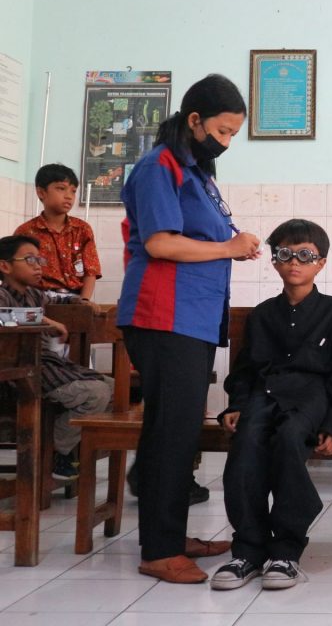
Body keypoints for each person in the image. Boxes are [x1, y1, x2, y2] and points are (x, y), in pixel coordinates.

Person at [117, 74, 262, 584]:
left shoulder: (195, 171)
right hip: (163, 316)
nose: (226, 143)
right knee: (170, 432)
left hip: (192, 318)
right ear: (194, 120)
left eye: (233, 135)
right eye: (222, 131)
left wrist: (235, 242)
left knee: (181, 432)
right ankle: (159, 551)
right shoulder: (159, 166)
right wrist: (227, 247)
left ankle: (172, 536)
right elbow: (159, 243)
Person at [211, 219, 332, 591]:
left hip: (311, 395)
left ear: (321, 263)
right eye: (285, 254)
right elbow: (245, 370)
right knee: (246, 443)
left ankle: (286, 551)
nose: (295, 262)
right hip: (264, 393)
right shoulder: (263, 314)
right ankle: (248, 551)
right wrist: (237, 404)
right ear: (274, 261)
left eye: (305, 255)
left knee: (291, 438)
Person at [0, 235, 112, 478]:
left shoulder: (35, 294)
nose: (38, 266)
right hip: (17, 371)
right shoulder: (2, 294)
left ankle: (57, 439)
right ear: (5, 266)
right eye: (29, 260)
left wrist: (81, 300)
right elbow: (3, 315)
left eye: (39, 260)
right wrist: (45, 320)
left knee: (113, 388)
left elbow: (60, 298)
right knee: (97, 393)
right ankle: (57, 452)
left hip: (46, 364)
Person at [15, 163, 102, 306]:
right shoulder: (26, 232)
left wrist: (84, 301)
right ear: (41, 192)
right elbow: (18, 273)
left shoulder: (82, 229)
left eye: (73, 191)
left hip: (75, 300)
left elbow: (91, 271)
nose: (69, 196)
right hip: (38, 299)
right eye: (61, 189)